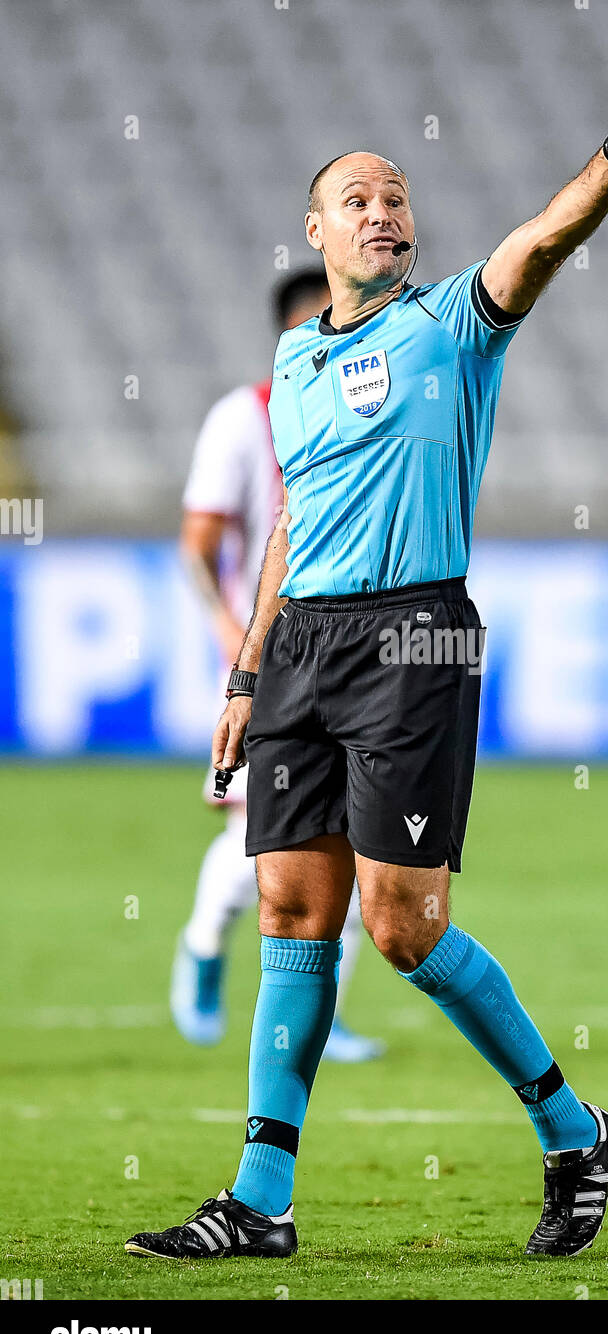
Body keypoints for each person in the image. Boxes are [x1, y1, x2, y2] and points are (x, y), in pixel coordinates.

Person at [127, 70, 608, 1261]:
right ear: (317, 231)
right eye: (356, 198)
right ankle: (260, 1200)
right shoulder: (291, 362)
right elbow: (291, 524)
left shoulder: (451, 324)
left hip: (411, 637)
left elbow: (540, 240)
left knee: (403, 927)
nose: (381, 211)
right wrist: (244, 673)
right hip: (304, 647)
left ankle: (573, 1128)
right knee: (289, 907)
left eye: (396, 197)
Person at [171, 268, 384, 1062]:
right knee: (262, 833)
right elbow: (199, 541)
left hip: (354, 655)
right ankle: (201, 946)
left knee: (360, 839)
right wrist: (233, 634)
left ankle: (319, 1020)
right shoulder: (244, 417)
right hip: (266, 654)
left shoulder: (373, 411)